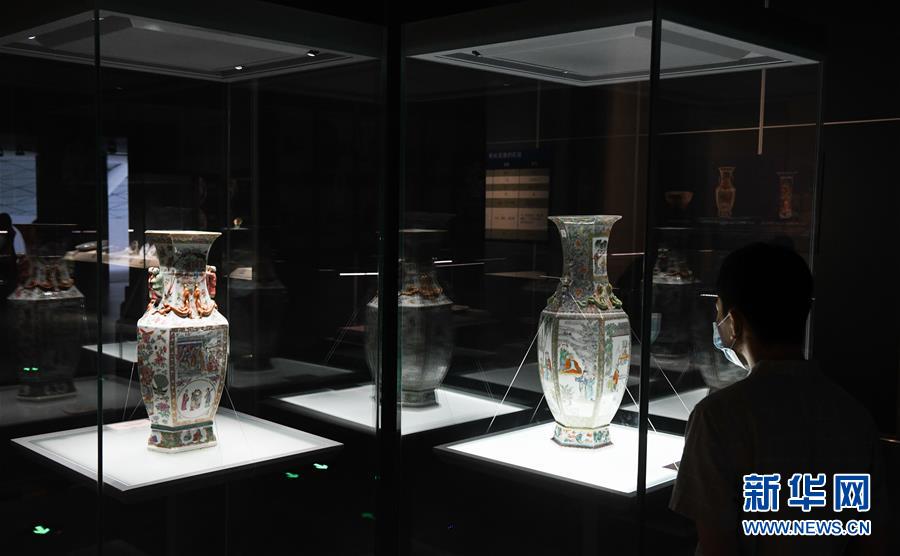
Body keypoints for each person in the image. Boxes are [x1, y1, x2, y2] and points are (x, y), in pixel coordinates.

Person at [669, 242, 888, 555]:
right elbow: (872, 539)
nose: (717, 323)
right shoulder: (854, 416)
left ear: (734, 322)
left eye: (718, 312)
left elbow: (717, 543)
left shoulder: (717, 417)